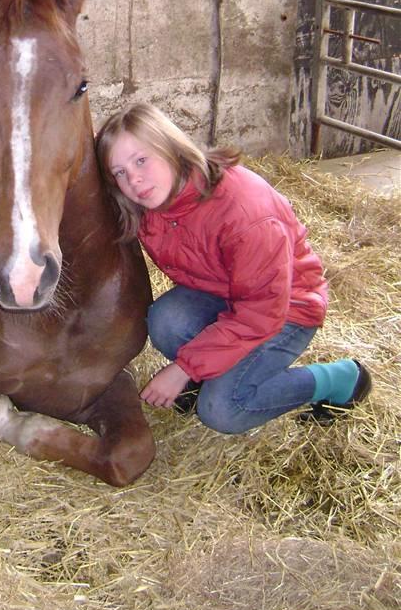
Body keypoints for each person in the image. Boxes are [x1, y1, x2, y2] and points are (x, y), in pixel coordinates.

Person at [95, 102, 372, 433]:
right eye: (120, 172)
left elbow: (262, 311)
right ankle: (211, 372)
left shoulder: (243, 211)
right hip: (225, 294)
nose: (134, 179)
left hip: (285, 309)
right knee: (166, 320)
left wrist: (183, 368)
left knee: (224, 410)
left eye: (141, 160)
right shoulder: (150, 202)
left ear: (170, 148)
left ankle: (342, 380)